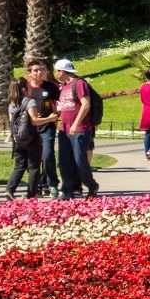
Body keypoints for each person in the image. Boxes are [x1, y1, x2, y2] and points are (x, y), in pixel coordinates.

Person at [52, 59, 100, 199]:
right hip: (64, 130)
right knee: (64, 161)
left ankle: (91, 185)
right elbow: (69, 105)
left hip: (79, 129)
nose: (55, 74)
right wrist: (59, 110)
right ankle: (67, 189)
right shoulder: (64, 86)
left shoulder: (79, 83)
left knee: (80, 160)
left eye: (56, 71)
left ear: (62, 71)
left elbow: (86, 104)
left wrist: (75, 124)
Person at [5, 76, 53, 200]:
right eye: (28, 85)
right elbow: (35, 121)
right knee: (34, 167)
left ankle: (9, 190)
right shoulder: (29, 102)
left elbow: (12, 122)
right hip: (31, 138)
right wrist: (50, 119)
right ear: (24, 89)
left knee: (19, 165)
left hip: (18, 140)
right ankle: (31, 194)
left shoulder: (12, 104)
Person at [24, 60, 61, 197]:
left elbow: (62, 101)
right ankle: (37, 185)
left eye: (41, 70)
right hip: (30, 128)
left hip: (48, 126)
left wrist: (57, 112)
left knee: (47, 155)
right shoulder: (25, 88)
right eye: (35, 70)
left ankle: (52, 184)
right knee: (33, 158)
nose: (39, 72)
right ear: (29, 73)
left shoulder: (51, 87)